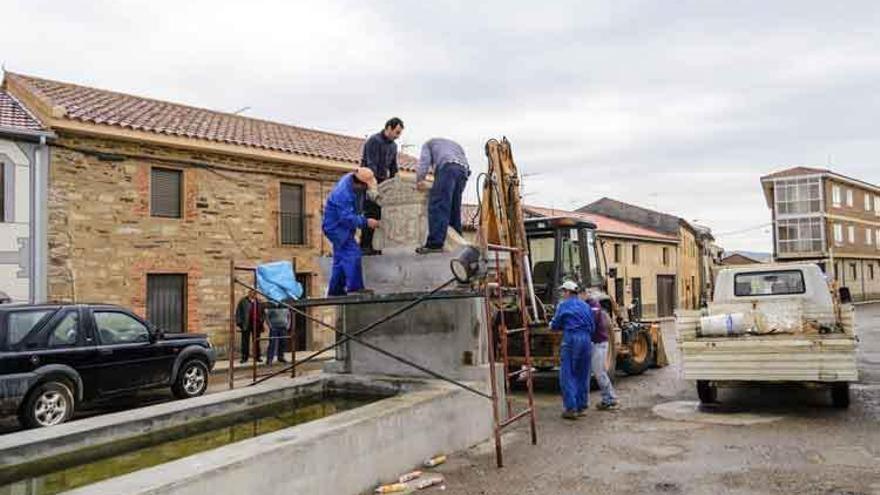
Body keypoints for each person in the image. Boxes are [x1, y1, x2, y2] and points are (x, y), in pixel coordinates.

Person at [323, 167, 379, 296]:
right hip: (336, 228)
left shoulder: (352, 179)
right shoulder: (343, 194)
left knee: (340, 260)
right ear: (360, 184)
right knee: (352, 253)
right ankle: (355, 288)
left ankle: (335, 291)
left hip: (339, 226)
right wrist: (366, 222)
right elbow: (346, 218)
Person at [414, 138, 470, 254]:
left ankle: (435, 244)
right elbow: (466, 166)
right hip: (463, 171)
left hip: (448, 167)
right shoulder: (456, 144)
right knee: (454, 207)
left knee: (438, 204)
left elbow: (424, 162)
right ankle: (457, 240)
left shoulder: (428, 144)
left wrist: (420, 180)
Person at [549, 280, 595, 419]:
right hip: (586, 339)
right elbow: (592, 326)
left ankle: (571, 408)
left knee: (567, 374)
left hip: (571, 339)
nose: (562, 294)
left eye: (563, 291)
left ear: (568, 292)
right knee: (583, 373)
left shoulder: (563, 305)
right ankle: (581, 406)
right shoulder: (585, 305)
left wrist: (551, 324)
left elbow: (555, 325)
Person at [359, 117, 403, 256]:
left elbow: (393, 167)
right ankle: (365, 246)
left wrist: (395, 182)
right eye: (396, 132)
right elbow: (371, 164)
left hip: (383, 183)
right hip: (369, 182)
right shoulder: (374, 141)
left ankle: (376, 245)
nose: (398, 136)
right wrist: (373, 185)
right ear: (388, 128)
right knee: (370, 213)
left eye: (399, 133)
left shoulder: (393, 146)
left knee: (380, 215)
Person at [586, 296, 619, 410]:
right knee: (586, 374)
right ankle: (583, 402)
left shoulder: (594, 305)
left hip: (599, 344)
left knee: (599, 372)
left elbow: (592, 321)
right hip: (591, 343)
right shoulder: (586, 305)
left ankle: (610, 398)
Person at [234, 290, 263, 363]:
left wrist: (261, 321)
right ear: (249, 293)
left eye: (255, 293)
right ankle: (244, 357)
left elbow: (263, 313)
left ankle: (257, 356)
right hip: (246, 324)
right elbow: (238, 312)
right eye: (252, 292)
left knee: (256, 341)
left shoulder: (259, 302)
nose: (254, 294)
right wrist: (239, 323)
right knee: (245, 342)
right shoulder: (243, 301)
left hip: (256, 324)